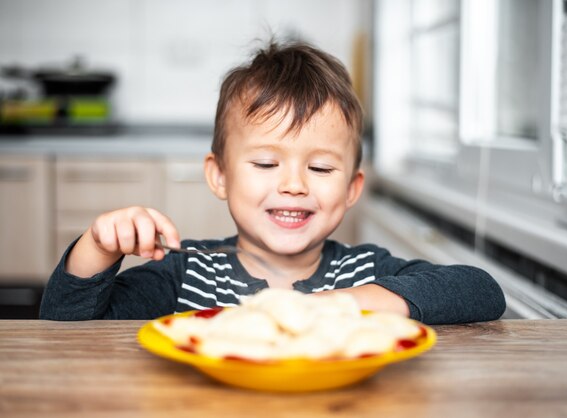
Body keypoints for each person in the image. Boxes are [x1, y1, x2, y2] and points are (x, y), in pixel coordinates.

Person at [40, 41, 506, 324]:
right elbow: (65, 327)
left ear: (351, 188)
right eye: (266, 164)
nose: (294, 185)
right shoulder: (186, 276)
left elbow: (482, 290)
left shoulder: (366, 271)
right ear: (218, 176)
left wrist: (349, 305)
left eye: (320, 169)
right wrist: (99, 247)